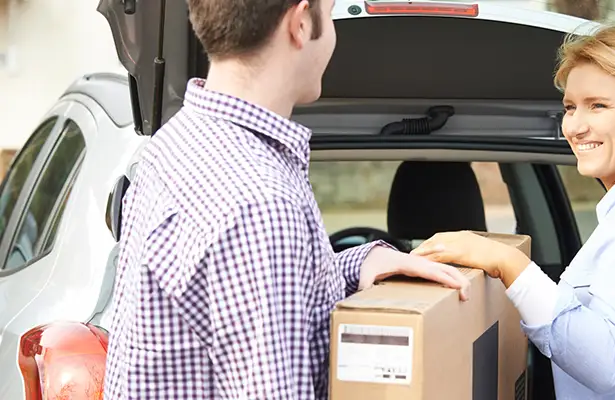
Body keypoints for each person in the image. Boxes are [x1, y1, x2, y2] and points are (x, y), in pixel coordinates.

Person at [101, 0, 470, 398]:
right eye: (329, 16)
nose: (332, 36)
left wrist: (361, 261)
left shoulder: (172, 147)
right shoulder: (263, 204)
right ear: (299, 24)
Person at [413, 25, 615, 399]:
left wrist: (507, 262)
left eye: (597, 105)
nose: (575, 126)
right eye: (570, 107)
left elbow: (608, 362)